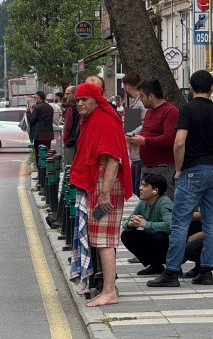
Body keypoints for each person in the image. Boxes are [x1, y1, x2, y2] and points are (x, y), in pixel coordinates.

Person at [148, 70, 213, 287]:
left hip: (192, 171)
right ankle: (207, 271)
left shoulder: (187, 110)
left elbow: (180, 141)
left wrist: (179, 168)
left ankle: (172, 272)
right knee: (211, 223)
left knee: (180, 221)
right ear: (212, 87)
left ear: (191, 87)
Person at [69, 82, 133, 307]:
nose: (80, 103)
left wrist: (104, 194)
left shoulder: (105, 120)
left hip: (106, 186)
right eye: (77, 100)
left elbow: (113, 159)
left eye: (84, 99)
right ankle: (107, 288)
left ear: (97, 100)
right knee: (98, 239)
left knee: (105, 241)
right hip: (97, 185)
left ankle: (109, 292)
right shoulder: (92, 119)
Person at [129, 78, 179, 200]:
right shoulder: (150, 111)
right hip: (147, 167)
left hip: (163, 168)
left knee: (164, 202)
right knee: (147, 204)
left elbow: (169, 138)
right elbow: (148, 132)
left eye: (142, 96)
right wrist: (135, 137)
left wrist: (144, 141)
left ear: (151, 96)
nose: (140, 99)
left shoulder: (170, 111)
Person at [120, 172, 172, 276]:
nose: (140, 188)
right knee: (127, 235)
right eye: (141, 185)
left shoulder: (164, 202)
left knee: (159, 236)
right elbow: (126, 221)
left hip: (169, 243)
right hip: (154, 240)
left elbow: (170, 226)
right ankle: (155, 266)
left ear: (155, 191)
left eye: (145, 185)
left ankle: (173, 267)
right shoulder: (143, 203)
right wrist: (130, 223)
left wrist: (146, 224)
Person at [122, 73, 147, 197]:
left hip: (139, 153)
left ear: (127, 86)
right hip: (135, 154)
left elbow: (145, 123)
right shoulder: (135, 103)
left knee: (138, 187)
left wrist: (131, 134)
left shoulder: (140, 103)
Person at [29, 91, 54, 180]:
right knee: (47, 153)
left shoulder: (37, 107)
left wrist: (29, 112)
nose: (34, 99)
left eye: (35, 97)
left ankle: (41, 175)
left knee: (39, 155)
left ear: (39, 98)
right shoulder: (50, 107)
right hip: (49, 134)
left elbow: (32, 120)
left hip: (39, 134)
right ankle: (48, 172)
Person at [61, 85, 79, 167]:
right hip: (78, 138)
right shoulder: (78, 105)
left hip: (71, 140)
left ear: (74, 94)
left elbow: (68, 125)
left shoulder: (70, 106)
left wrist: (65, 141)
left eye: (68, 94)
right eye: (65, 94)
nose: (66, 96)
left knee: (70, 166)